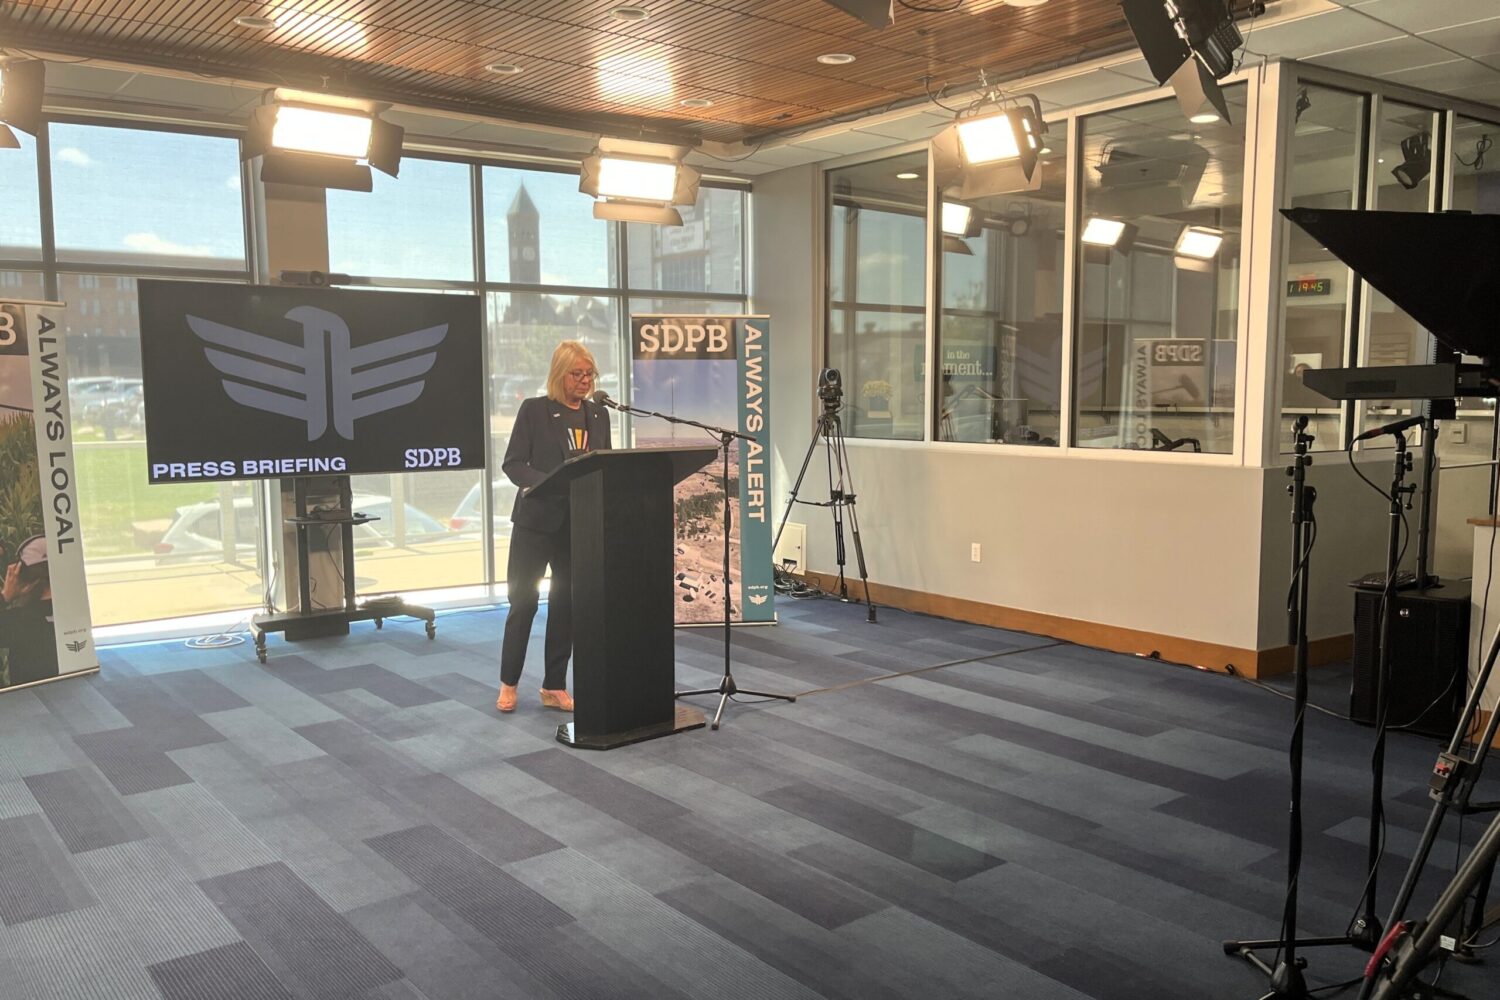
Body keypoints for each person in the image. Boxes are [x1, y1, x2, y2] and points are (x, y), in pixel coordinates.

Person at [496, 340, 611, 714]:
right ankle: (509, 683)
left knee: (566, 605)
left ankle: (554, 686)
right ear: (560, 374)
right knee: (523, 604)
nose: (585, 381)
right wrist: (548, 482)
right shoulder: (535, 411)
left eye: (589, 374)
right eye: (577, 374)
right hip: (535, 524)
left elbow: (603, 463)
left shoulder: (598, 415)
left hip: (577, 525)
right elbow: (514, 464)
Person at [0, 535, 58, 688]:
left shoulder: (17, 622)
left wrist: (5, 597)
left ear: (22, 575)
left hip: (31, 700)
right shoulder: (77, 612)